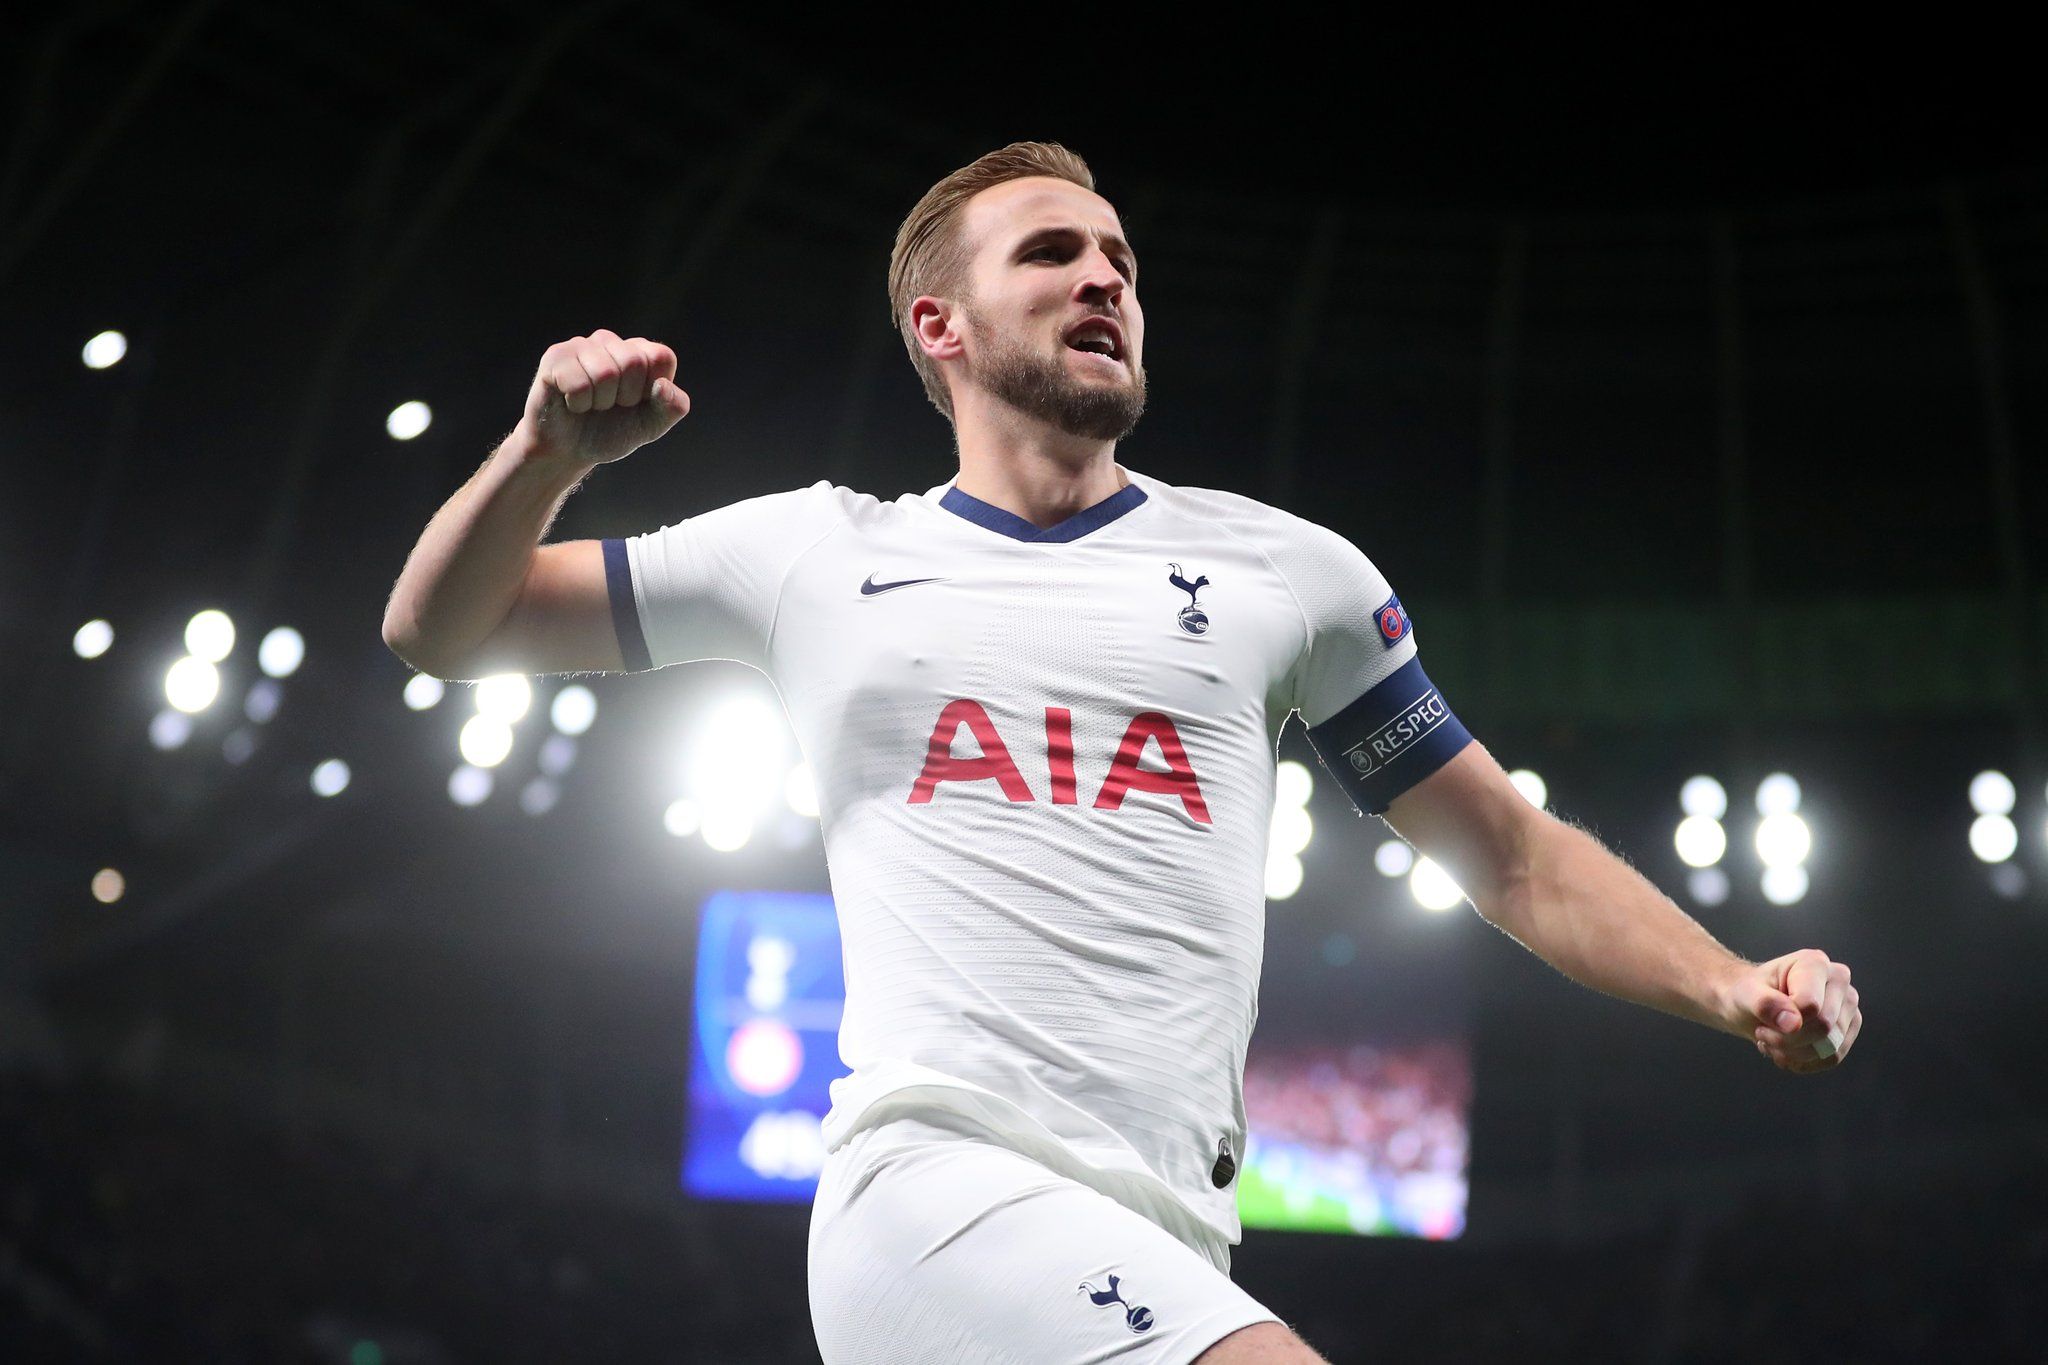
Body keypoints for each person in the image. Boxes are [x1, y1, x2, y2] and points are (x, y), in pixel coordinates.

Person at [381, 141, 1863, 1364]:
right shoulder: (816, 554)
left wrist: (1733, 983)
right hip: (938, 1192)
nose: (1106, 276)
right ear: (938, 329)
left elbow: (1514, 854)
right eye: (1050, 254)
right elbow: (445, 627)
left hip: (1168, 1233)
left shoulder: (1293, 574)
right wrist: (549, 459)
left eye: (1121, 262)